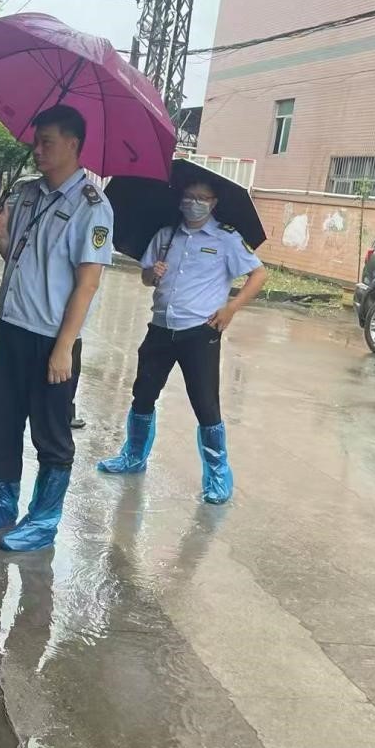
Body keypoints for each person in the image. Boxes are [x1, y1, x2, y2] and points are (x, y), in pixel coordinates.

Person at [0, 104, 113, 552]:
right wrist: (1, 236)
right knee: (3, 421)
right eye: (36, 141)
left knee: (51, 433)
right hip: (11, 326)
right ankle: (2, 502)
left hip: (52, 338)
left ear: (73, 144)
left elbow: (87, 284)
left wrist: (64, 347)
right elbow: (19, 260)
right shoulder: (28, 195)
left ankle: (44, 519)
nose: (37, 150)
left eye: (46, 142)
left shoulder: (92, 207)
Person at [96, 173, 267, 504]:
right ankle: (133, 456)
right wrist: (153, 273)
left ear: (214, 203)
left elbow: (259, 274)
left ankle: (217, 476)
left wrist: (231, 309)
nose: (194, 203)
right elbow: (147, 278)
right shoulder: (165, 235)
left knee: (205, 404)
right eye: (189, 196)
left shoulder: (226, 238)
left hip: (199, 333)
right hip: (161, 327)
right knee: (143, 394)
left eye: (202, 198)